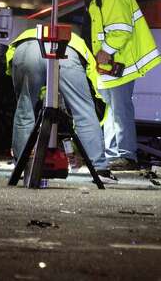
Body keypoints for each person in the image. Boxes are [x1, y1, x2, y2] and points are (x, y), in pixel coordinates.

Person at [66, 0, 161, 171]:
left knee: (120, 109)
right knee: (112, 110)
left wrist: (105, 51)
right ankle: (113, 154)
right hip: (110, 63)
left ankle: (126, 155)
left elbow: (122, 28)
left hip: (119, 60)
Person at [6, 27, 111, 177]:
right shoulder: (83, 51)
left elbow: (44, 91)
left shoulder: (28, 34)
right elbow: (90, 103)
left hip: (26, 48)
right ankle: (100, 169)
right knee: (84, 111)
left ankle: (22, 167)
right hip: (65, 49)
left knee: (25, 109)